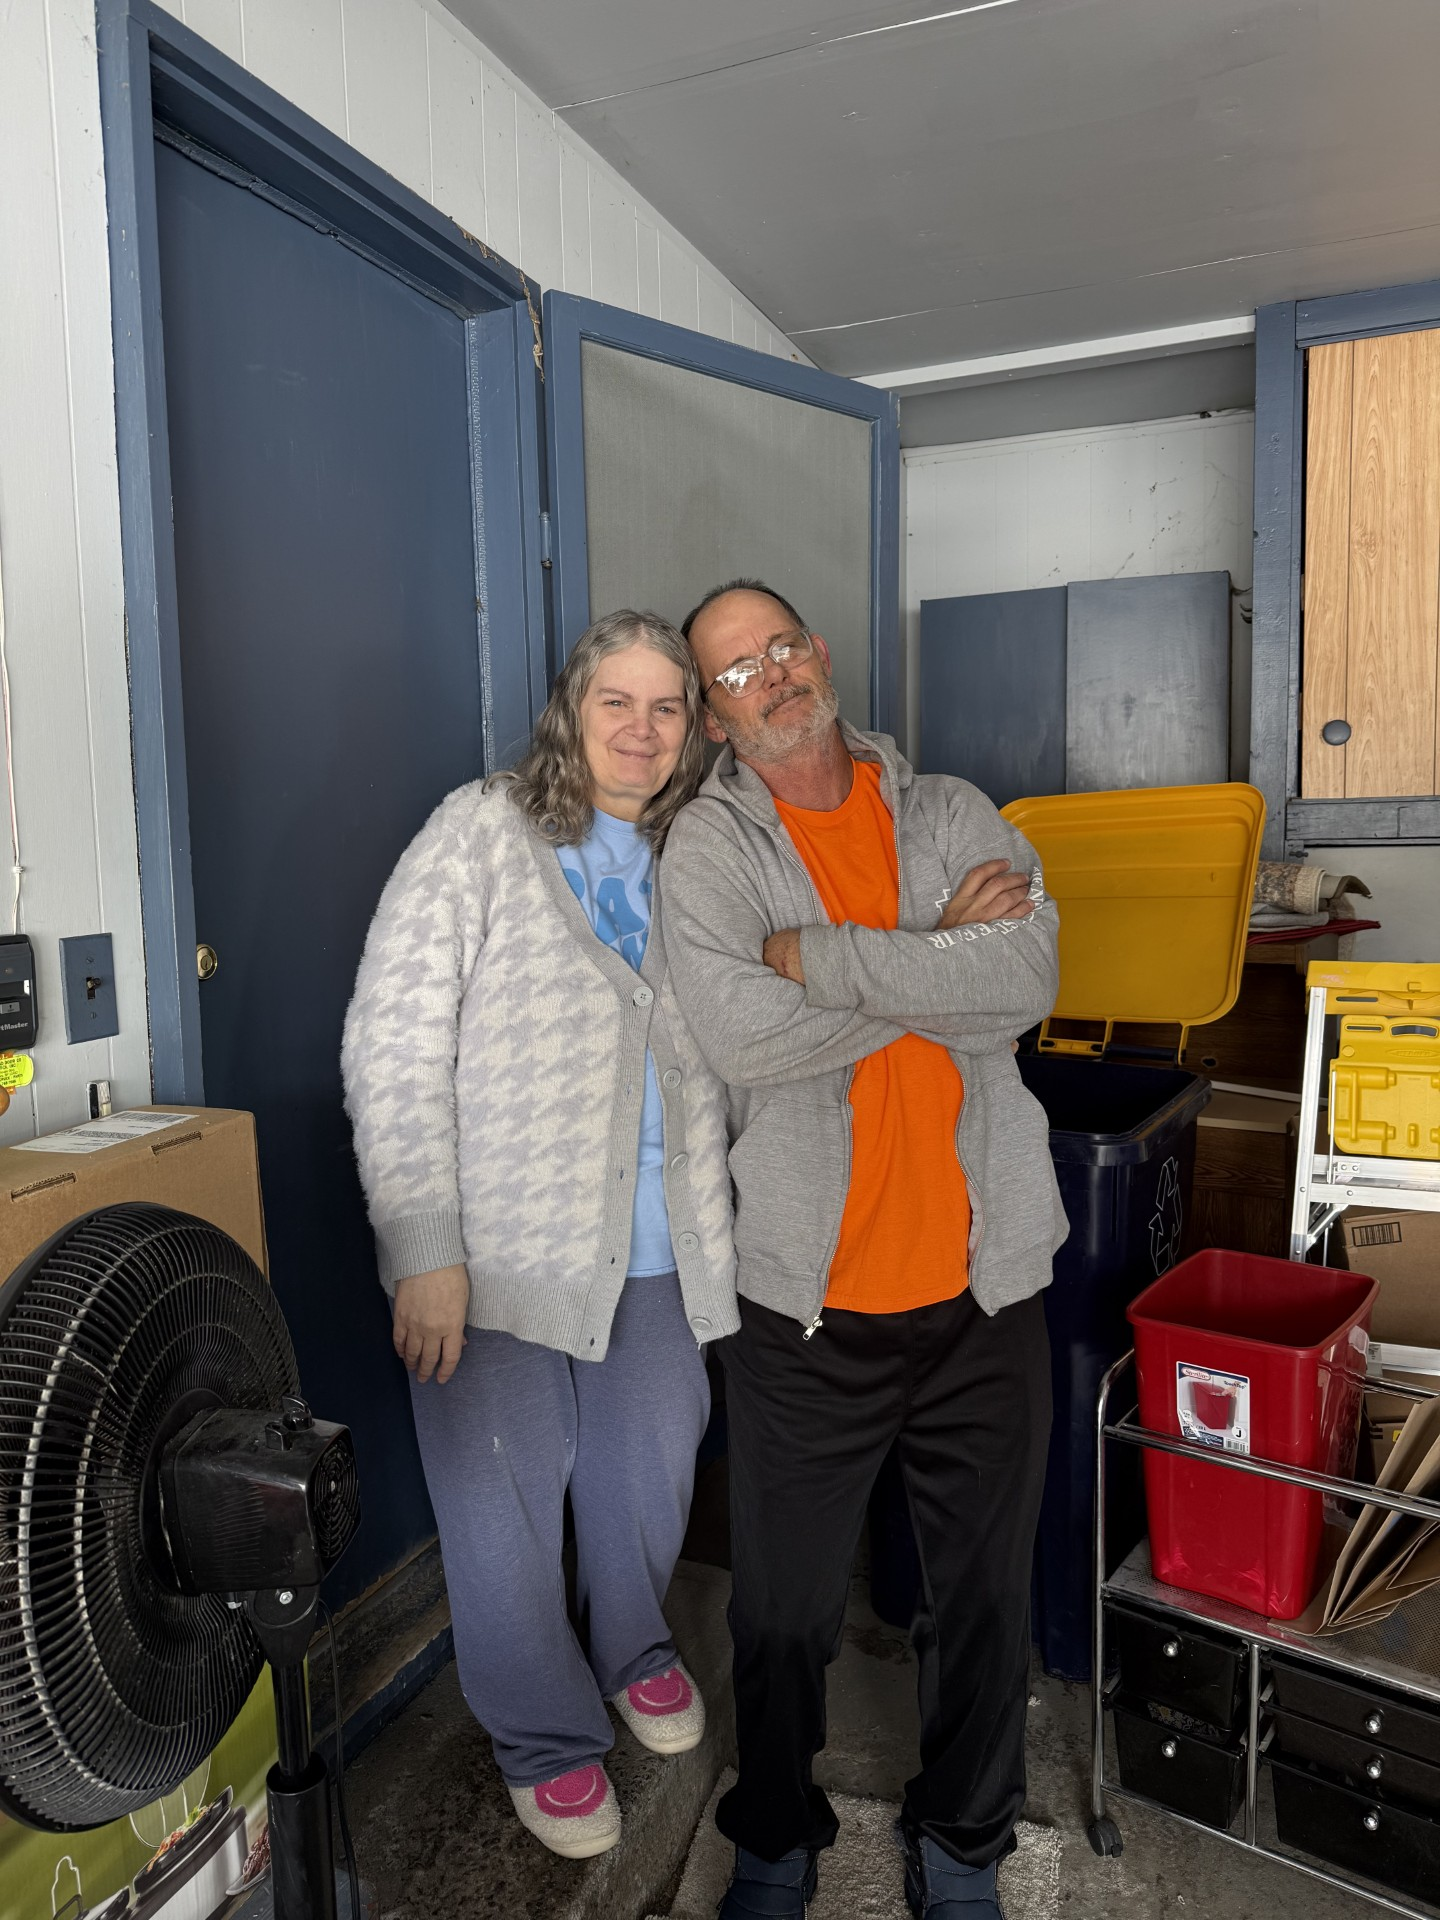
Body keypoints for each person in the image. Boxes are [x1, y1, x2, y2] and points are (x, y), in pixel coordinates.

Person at [660, 580, 1068, 1920]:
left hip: (983, 1293)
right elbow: (744, 1038)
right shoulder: (711, 851)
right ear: (714, 720)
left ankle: (963, 1847)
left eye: (780, 648)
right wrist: (934, 958)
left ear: (818, 654)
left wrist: (826, 960)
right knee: (780, 1617)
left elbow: (1024, 982)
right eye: (735, 672)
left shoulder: (950, 812)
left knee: (983, 1603)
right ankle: (775, 1839)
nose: (769, 678)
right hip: (805, 1311)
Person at [341, 610, 738, 1861]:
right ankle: (544, 1735)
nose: (640, 730)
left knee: (651, 1470)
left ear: (694, 728)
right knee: (500, 1496)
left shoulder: (704, 852)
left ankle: (632, 1644)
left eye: (666, 707)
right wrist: (423, 1247)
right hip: (494, 1254)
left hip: (667, 1244)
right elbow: (392, 1040)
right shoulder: (480, 831)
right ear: (573, 709)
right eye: (616, 701)